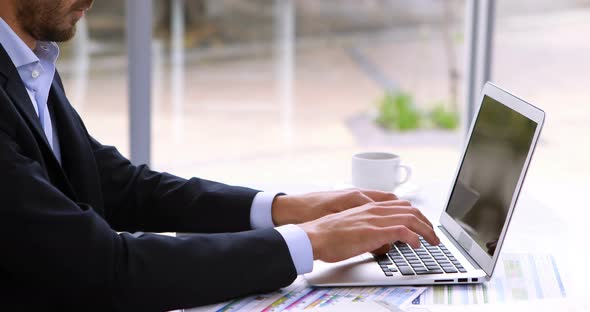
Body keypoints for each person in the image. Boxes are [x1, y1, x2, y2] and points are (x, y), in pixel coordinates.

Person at [0, 0, 440, 310]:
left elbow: (115, 184)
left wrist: (287, 209)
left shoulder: (29, 59)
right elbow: (105, 269)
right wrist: (313, 240)